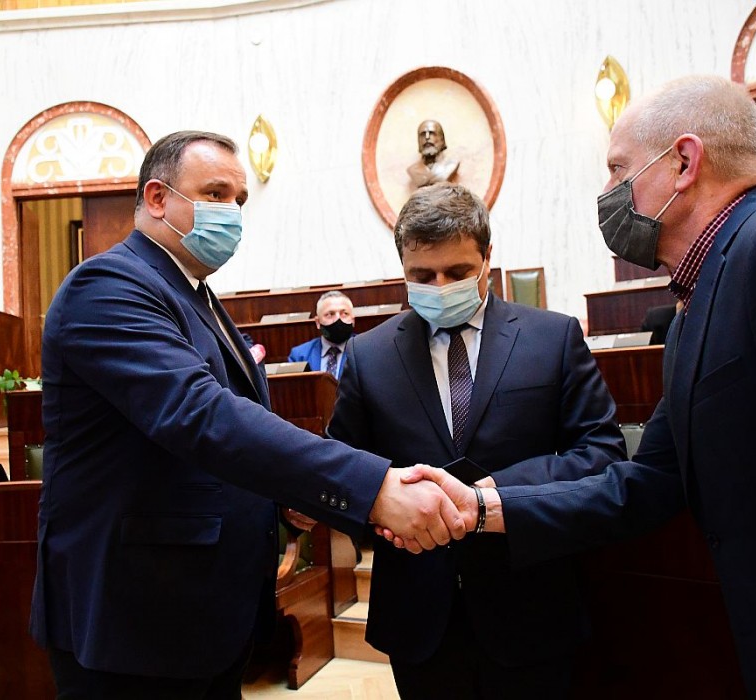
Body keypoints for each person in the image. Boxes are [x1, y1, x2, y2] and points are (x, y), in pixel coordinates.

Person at [391, 75, 756, 699]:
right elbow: (646, 482)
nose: (609, 191)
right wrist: (481, 509)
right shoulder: (696, 306)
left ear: (684, 163)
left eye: (618, 169)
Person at [29, 130, 468, 699]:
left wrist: (292, 499)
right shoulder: (108, 286)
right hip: (134, 617)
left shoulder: (194, 295)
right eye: (215, 194)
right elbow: (199, 415)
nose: (232, 212)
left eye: (238, 199)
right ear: (157, 198)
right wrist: (374, 488)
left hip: (202, 615)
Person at [328, 182, 626, 699]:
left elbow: (601, 453)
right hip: (419, 613)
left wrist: (493, 495)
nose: (440, 286)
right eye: (423, 276)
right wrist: (385, 511)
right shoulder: (367, 355)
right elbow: (344, 468)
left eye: (458, 271)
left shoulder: (552, 338)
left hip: (531, 602)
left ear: (487, 257)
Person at [287, 290, 354, 378]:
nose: (338, 319)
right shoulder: (299, 355)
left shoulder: (364, 350)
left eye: (344, 314)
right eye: (330, 314)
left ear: (353, 320)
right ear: (318, 322)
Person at [406, 120, 460, 188]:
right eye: (423, 134)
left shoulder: (452, 164)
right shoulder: (412, 169)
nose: (427, 137)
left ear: (442, 139)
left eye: (431, 133)